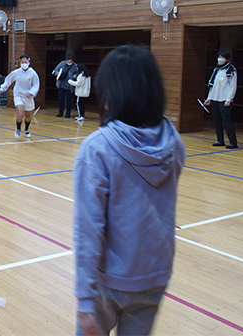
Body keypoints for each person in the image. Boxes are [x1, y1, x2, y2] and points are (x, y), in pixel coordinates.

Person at [73, 45, 185, 336]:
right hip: (155, 276)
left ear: (112, 91)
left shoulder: (97, 148)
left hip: (109, 282)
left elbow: (88, 228)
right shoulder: (174, 143)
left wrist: (85, 297)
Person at [0, 54, 40, 138]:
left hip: (28, 96)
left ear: (29, 62)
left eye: (26, 62)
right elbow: (8, 81)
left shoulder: (33, 73)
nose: (24, 64)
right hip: (18, 95)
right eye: (22, 62)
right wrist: (2, 88)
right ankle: (18, 129)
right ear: (20, 63)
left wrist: (31, 93)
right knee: (20, 113)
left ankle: (26, 129)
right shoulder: (16, 73)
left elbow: (36, 85)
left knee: (27, 115)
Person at [204, 49, 238, 149]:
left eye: (222, 58)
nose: (220, 59)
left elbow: (232, 87)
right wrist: (209, 98)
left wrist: (229, 99)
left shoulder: (231, 70)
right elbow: (212, 86)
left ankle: (233, 142)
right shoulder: (216, 70)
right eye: (219, 57)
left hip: (224, 100)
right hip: (215, 98)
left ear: (227, 59)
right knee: (217, 120)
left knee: (226, 120)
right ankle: (220, 140)